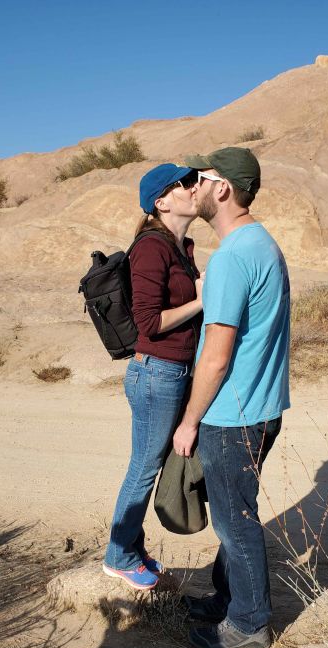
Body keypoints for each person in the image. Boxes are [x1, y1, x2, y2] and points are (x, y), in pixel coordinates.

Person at [173, 147, 290, 648]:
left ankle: (248, 624)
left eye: (200, 178)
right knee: (234, 510)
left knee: (233, 520)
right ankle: (227, 598)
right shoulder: (263, 244)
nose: (191, 187)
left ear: (222, 189)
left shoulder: (232, 258)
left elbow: (216, 357)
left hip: (231, 415)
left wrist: (189, 419)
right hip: (261, 407)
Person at [103, 163, 202, 590]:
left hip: (174, 370)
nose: (193, 187)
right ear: (161, 202)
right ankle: (119, 556)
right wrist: (203, 300)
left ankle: (132, 547)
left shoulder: (181, 245)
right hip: (156, 372)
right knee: (144, 467)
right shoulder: (151, 247)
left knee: (150, 462)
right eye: (183, 184)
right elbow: (148, 321)